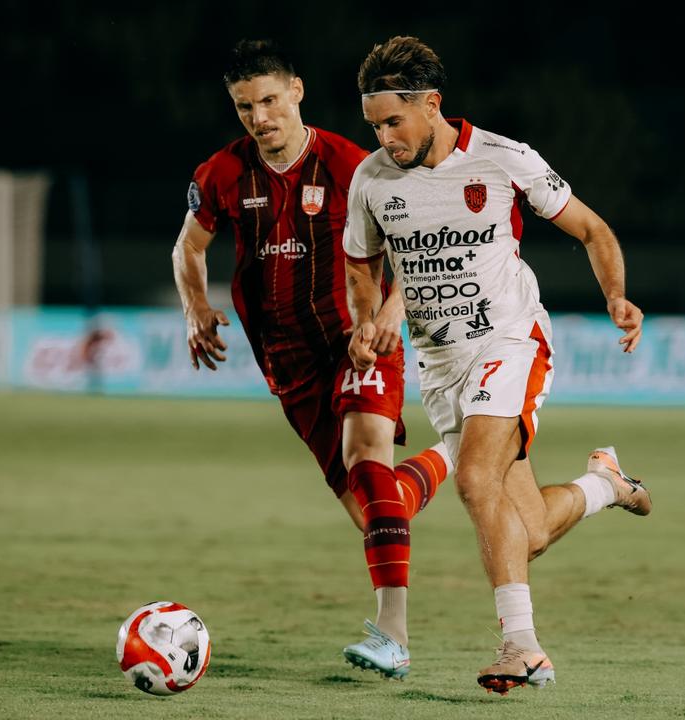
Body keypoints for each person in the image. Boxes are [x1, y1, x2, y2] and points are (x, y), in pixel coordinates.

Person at [345, 36, 651, 694]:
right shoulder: (371, 181)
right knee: (528, 531)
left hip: (510, 340)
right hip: (440, 367)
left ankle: (522, 646)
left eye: (393, 121)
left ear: (432, 104)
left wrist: (616, 296)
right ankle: (605, 485)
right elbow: (364, 266)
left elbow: (593, 230)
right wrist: (370, 321)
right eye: (373, 125)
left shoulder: (502, 159)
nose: (383, 137)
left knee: (474, 476)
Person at [170, 40, 451, 680]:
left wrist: (384, 317)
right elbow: (189, 249)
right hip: (286, 360)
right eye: (245, 107)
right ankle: (456, 453)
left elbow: (416, 250)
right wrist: (195, 307)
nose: (260, 117)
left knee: (367, 458)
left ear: (297, 91)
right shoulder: (221, 173)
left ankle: (393, 635)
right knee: (373, 510)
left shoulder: (355, 166)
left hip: (358, 339)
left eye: (270, 100)